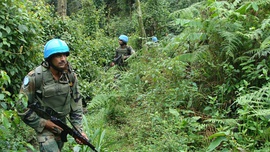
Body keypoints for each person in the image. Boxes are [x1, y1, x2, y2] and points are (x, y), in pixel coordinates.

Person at [16, 38, 87, 151]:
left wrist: (79, 130)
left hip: (61, 124)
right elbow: (21, 107)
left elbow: (76, 104)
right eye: (58, 56)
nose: (63, 59)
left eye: (64, 55)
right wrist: (43, 123)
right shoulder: (35, 77)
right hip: (44, 126)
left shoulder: (70, 76)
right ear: (49, 59)